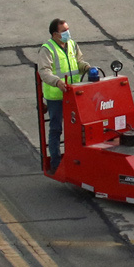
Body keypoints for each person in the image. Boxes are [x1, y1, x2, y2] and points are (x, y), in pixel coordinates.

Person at [38, 18, 94, 172]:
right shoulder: (47, 49)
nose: (68, 33)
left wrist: (88, 68)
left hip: (74, 94)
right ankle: (56, 164)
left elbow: (79, 62)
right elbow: (44, 71)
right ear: (55, 34)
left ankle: (76, 160)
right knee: (56, 130)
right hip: (56, 96)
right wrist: (57, 82)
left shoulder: (72, 44)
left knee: (78, 128)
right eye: (64, 31)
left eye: (68, 29)